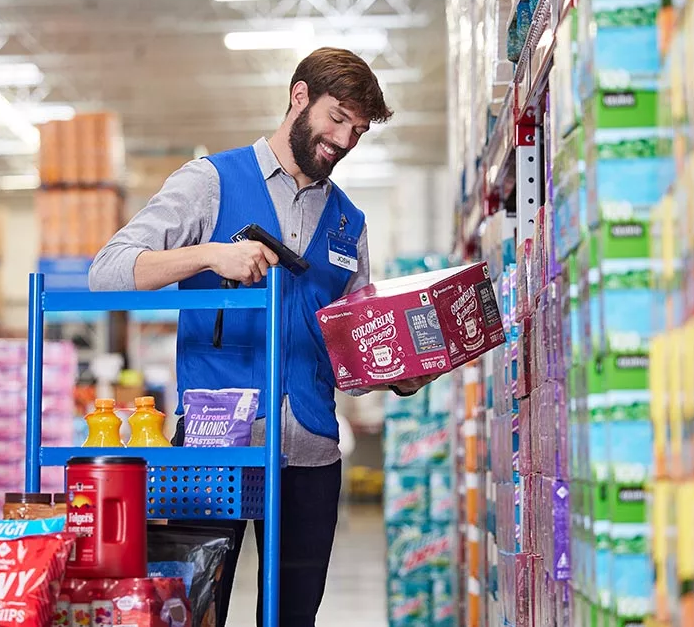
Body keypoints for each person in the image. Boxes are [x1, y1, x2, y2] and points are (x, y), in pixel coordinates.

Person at [88, 47, 439, 627]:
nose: (345, 140)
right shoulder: (212, 182)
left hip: (311, 452)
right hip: (216, 445)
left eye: (358, 129)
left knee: (293, 616)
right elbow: (107, 270)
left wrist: (398, 372)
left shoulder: (350, 221)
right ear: (299, 96)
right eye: (336, 118)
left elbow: (354, 345)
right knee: (198, 613)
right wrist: (209, 254)